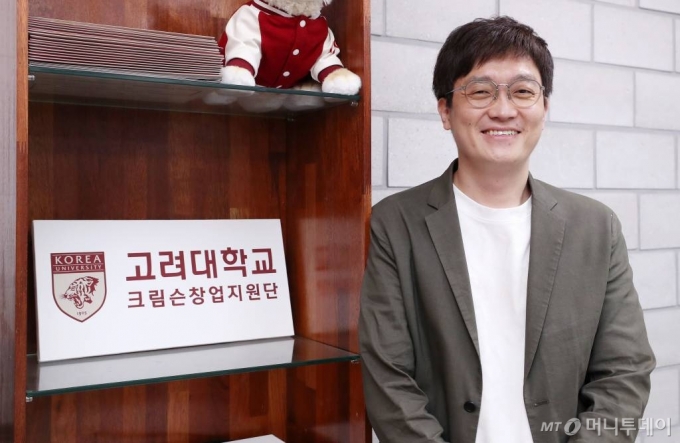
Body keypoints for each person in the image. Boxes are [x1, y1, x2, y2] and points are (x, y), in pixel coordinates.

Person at [359, 16, 655, 443]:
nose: (502, 109)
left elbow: (624, 372)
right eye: (480, 91)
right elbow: (389, 381)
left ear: (544, 108)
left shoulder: (596, 228)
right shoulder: (395, 223)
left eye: (523, 91)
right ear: (445, 110)